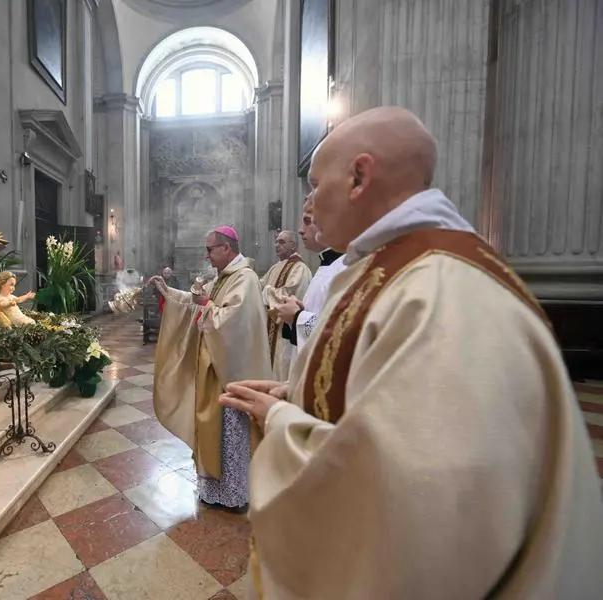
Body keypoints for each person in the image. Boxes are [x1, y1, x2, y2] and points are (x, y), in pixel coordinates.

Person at [220, 107, 603, 598]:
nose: (309, 203)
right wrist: (296, 395)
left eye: (316, 184)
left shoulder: (446, 290)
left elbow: (421, 505)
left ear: (359, 176)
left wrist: (281, 422)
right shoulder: (402, 268)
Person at [149, 226, 271, 510]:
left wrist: (206, 305)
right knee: (212, 427)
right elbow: (203, 307)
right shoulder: (225, 277)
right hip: (213, 365)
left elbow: (233, 321)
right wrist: (169, 291)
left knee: (229, 431)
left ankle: (234, 493)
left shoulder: (245, 278)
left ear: (226, 248)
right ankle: (215, 488)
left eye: (210, 249)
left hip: (230, 370)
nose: (207, 255)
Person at [275, 208, 346, 356]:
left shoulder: (344, 269)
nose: (300, 231)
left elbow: (338, 336)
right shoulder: (327, 265)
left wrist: (296, 317)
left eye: (307, 222)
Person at [260, 230, 311, 379]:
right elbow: (260, 285)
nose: (277, 245)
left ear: (293, 246)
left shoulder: (299, 269)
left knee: (281, 372)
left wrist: (267, 291)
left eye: (282, 242)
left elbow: (287, 296)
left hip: (284, 331)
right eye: (276, 241)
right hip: (270, 329)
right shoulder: (276, 267)